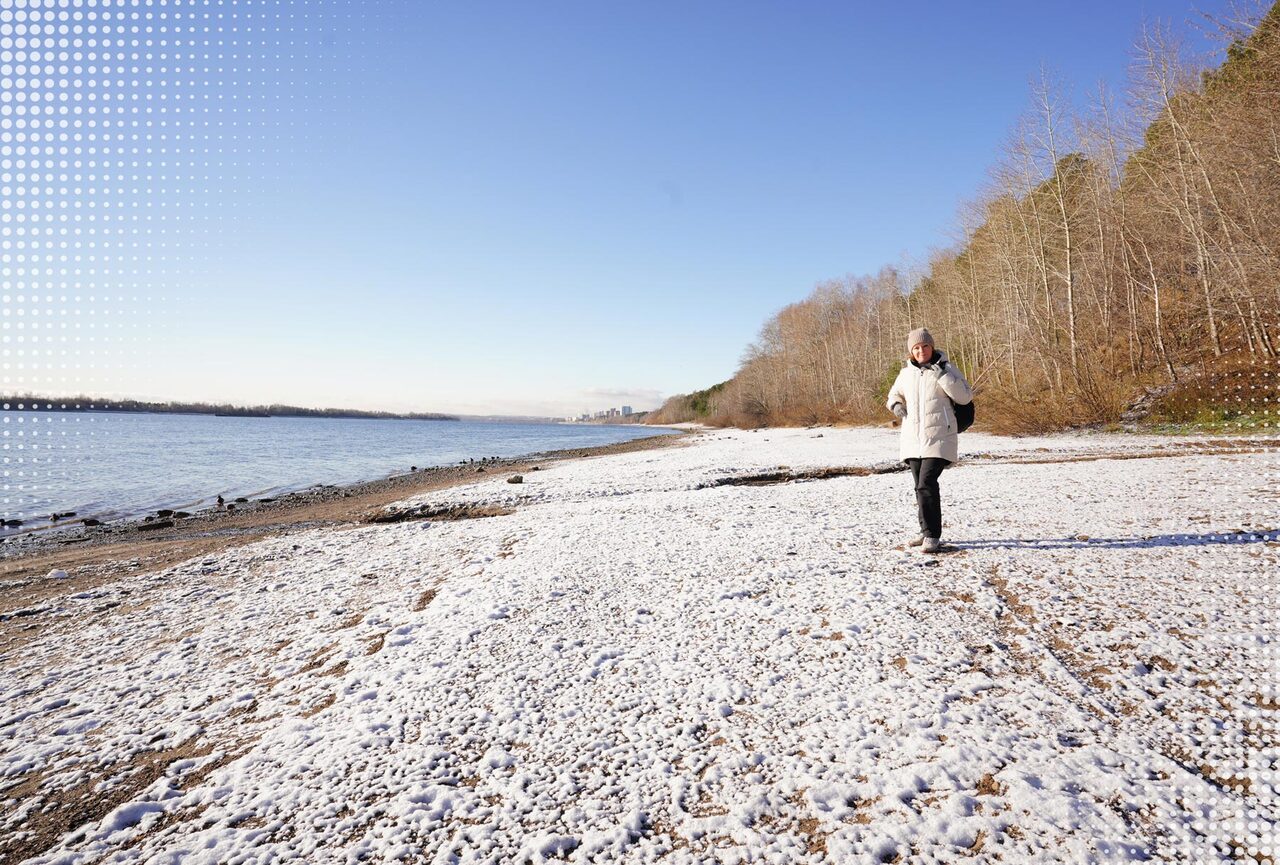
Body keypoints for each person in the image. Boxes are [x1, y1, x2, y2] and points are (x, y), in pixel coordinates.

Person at [885, 328, 973, 553]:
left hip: (940, 437)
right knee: (919, 486)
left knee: (926, 484)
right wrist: (896, 404)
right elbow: (893, 394)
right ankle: (925, 531)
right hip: (913, 439)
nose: (921, 350)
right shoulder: (906, 374)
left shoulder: (947, 368)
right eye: (916, 347)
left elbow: (964, 397)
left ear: (932, 347)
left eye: (925, 346)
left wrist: (942, 375)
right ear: (911, 351)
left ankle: (933, 535)